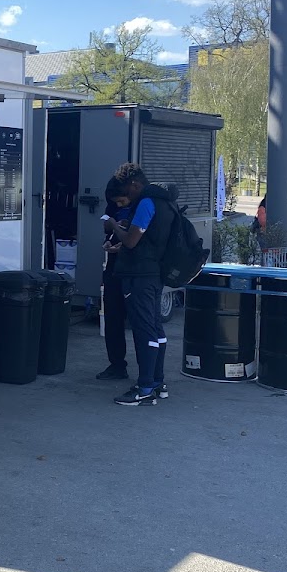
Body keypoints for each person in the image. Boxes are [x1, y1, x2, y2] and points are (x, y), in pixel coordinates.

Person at [102, 163, 174, 406]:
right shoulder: (166, 202)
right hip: (156, 273)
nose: (128, 199)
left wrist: (115, 226)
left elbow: (132, 241)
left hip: (140, 276)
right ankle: (157, 382)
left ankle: (144, 388)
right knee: (156, 329)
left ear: (134, 185)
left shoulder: (146, 202)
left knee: (144, 331)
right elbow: (150, 239)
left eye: (127, 193)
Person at [96, 177, 132, 381]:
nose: (118, 205)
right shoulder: (112, 205)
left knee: (140, 321)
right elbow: (106, 225)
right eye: (114, 202)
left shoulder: (141, 207)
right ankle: (117, 364)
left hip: (133, 269)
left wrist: (118, 228)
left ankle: (149, 372)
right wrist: (110, 229)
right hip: (114, 265)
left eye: (121, 202)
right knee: (112, 317)